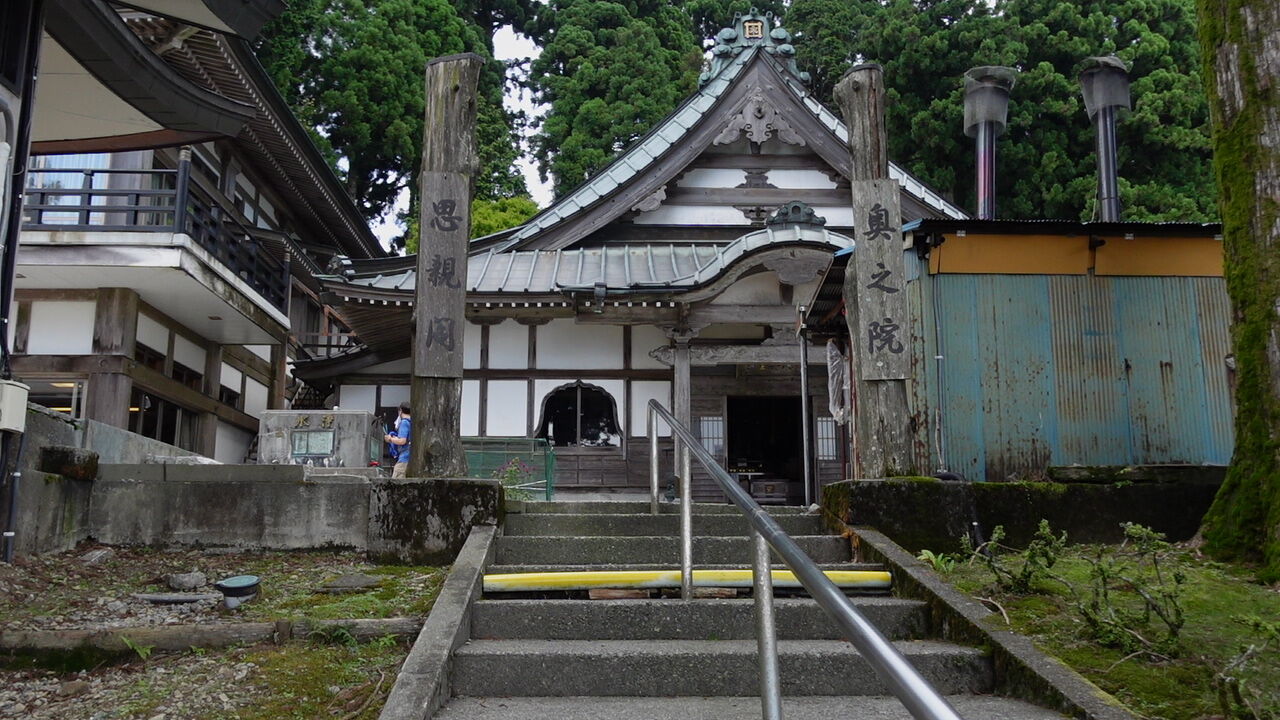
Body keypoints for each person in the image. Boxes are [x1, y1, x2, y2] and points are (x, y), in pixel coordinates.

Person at [385, 402, 411, 478]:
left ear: (400, 411)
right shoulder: (412, 423)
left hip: (405, 457)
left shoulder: (404, 422)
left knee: (397, 479)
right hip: (411, 457)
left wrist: (390, 439)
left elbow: (402, 441)